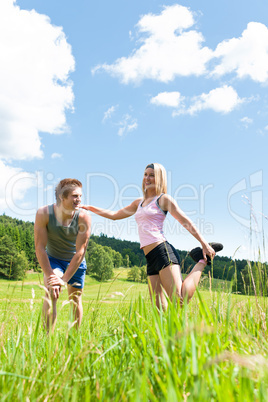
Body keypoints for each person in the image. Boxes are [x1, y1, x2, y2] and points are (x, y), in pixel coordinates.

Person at [81, 163, 222, 310]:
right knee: (159, 310)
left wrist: (204, 243)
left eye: (152, 175)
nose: (147, 178)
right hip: (150, 257)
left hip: (162, 251)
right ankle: (167, 334)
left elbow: (185, 221)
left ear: (159, 178)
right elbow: (115, 215)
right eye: (145, 174)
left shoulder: (163, 199)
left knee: (179, 301)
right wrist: (90, 208)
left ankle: (201, 260)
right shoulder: (139, 202)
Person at [34, 178, 91, 331]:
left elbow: (81, 251)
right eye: (74, 196)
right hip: (53, 260)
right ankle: (48, 340)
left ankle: (73, 339)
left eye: (80, 196)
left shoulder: (83, 217)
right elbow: (39, 247)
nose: (78, 199)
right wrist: (51, 276)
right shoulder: (44, 213)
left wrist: (64, 279)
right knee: (51, 293)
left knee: (75, 300)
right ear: (61, 196)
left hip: (76, 262)